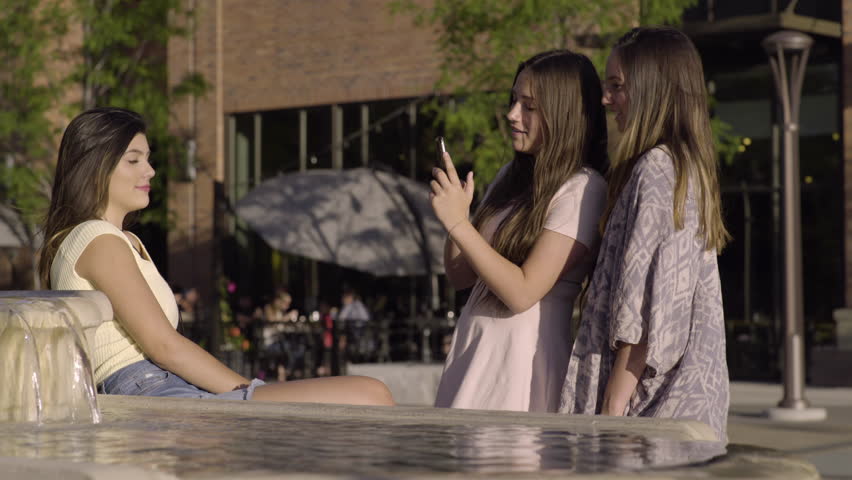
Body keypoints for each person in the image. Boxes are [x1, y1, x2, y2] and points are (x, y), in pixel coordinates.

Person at [38, 107, 394, 406]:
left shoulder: (120, 240)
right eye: (134, 160)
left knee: (367, 395)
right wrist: (251, 393)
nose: (150, 171)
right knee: (368, 394)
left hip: (162, 385)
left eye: (148, 159)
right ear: (96, 167)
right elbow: (163, 346)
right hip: (148, 389)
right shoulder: (96, 238)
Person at [559, 27, 731, 442]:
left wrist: (612, 412)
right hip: (684, 405)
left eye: (617, 86)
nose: (606, 99)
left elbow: (642, 313)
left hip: (644, 409)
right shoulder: (684, 168)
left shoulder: (657, 169)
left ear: (653, 89)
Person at [430, 50, 609, 412]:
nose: (512, 114)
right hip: (474, 354)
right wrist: (457, 220)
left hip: (521, 366)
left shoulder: (583, 189)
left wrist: (460, 224)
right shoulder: (510, 177)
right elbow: (460, 275)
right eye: (513, 101)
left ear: (562, 114)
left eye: (529, 106)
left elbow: (523, 292)